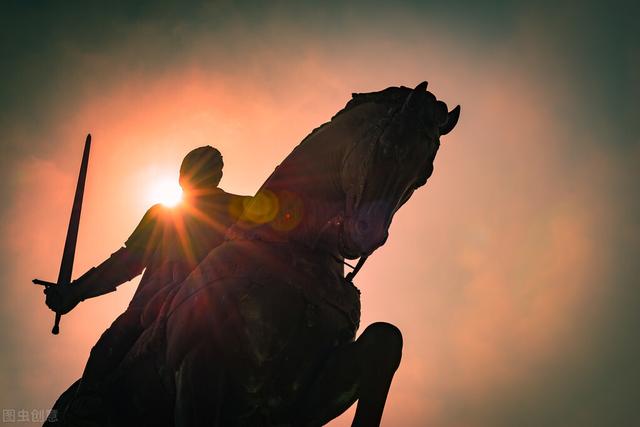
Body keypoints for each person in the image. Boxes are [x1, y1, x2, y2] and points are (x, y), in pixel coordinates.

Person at [44, 146, 250, 416]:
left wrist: (74, 292)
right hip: (159, 303)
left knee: (110, 346)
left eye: (204, 168)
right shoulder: (166, 215)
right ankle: (86, 407)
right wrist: (76, 291)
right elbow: (126, 262)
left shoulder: (242, 207)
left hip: (203, 298)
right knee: (109, 346)